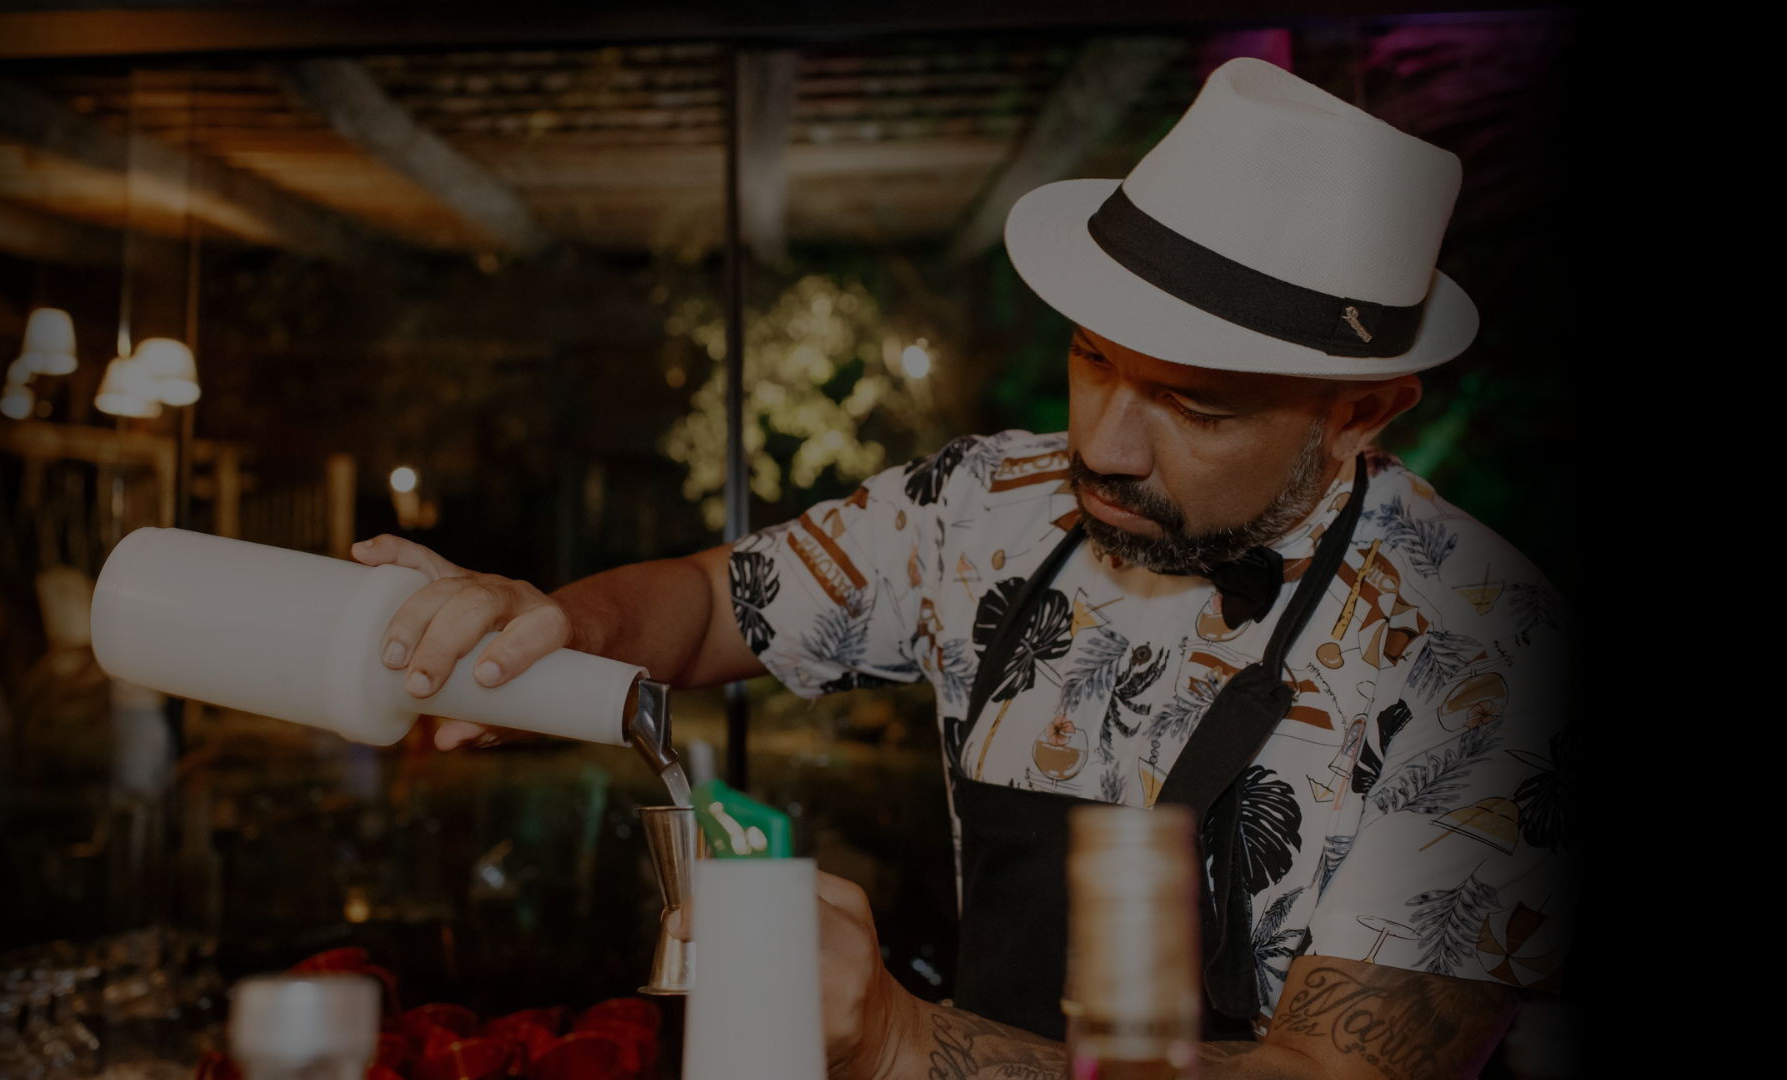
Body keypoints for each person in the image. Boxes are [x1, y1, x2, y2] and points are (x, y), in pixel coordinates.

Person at [356, 59, 1572, 1079]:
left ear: (1364, 413)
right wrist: (547, 622)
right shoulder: (982, 503)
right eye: (1094, 360)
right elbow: (706, 605)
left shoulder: (1493, 651)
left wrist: (893, 1042)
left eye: (1196, 407)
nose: (1102, 445)